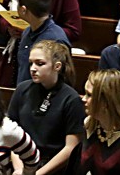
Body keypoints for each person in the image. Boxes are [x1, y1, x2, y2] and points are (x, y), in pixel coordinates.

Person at [8, 39, 85, 175]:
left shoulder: (71, 99)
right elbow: (10, 135)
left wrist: (38, 174)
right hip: (21, 160)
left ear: (57, 66)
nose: (32, 68)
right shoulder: (22, 90)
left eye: (40, 64)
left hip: (51, 167)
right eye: (31, 63)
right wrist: (20, 169)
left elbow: (71, 147)